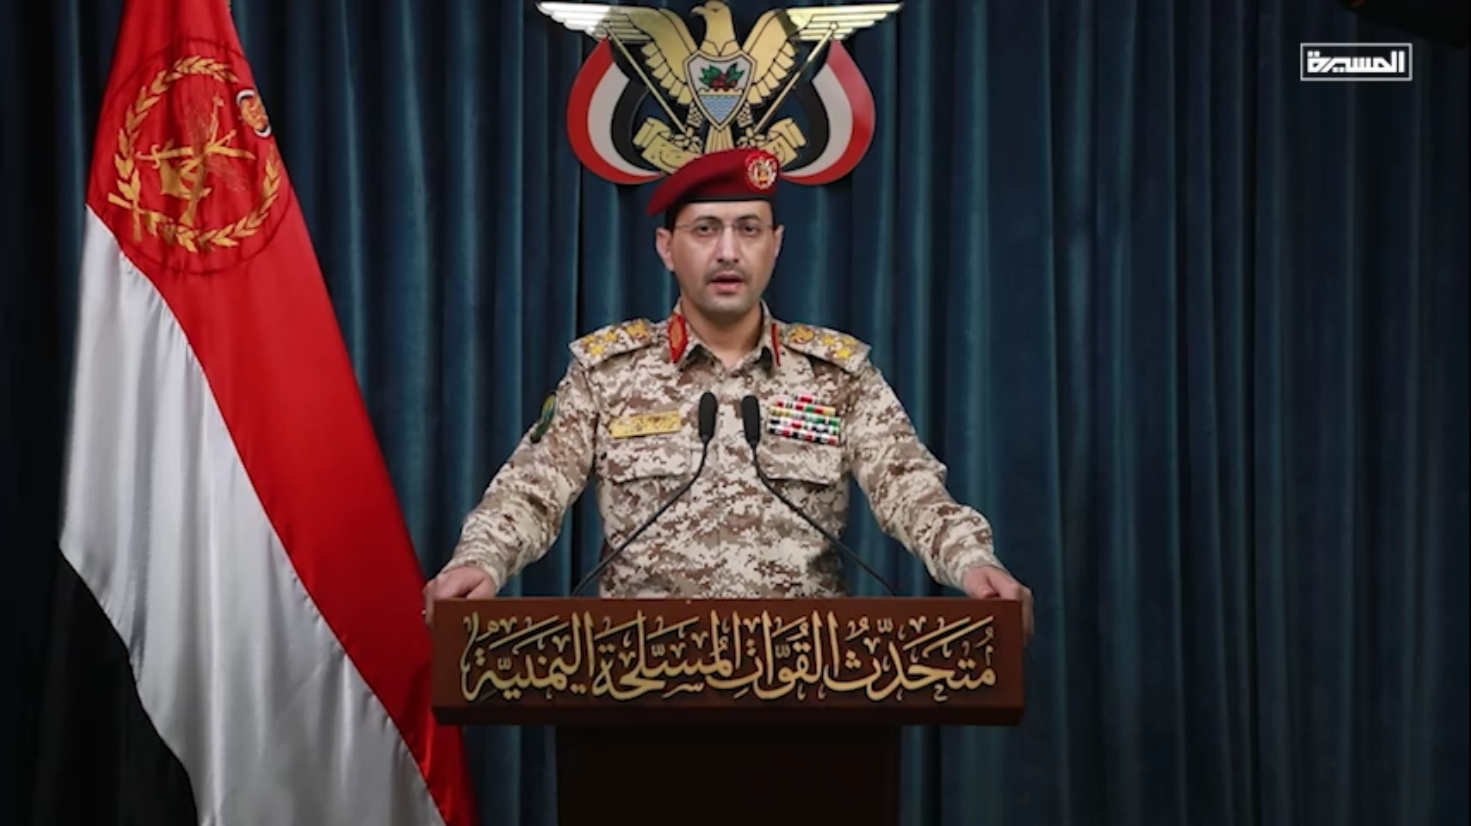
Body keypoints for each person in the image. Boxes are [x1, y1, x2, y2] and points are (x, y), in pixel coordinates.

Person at [422, 147, 1034, 643]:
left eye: (749, 228)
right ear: (666, 248)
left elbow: (912, 491)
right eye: (705, 229)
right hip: (636, 673)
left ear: (777, 243)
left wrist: (973, 563)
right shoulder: (607, 374)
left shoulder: (837, 375)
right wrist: (480, 561)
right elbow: (530, 492)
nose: (728, 251)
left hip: (809, 675)